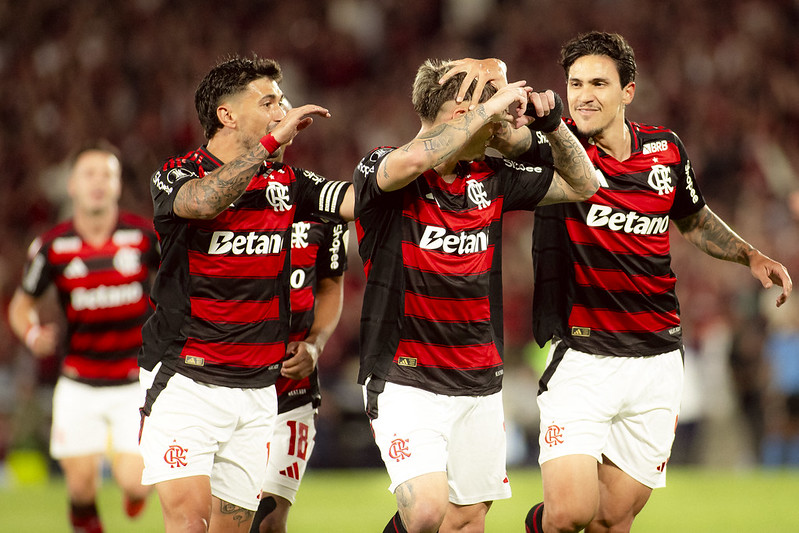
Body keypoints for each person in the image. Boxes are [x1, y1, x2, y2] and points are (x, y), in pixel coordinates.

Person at [447, 32, 793, 533]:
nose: (584, 95)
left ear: (628, 91)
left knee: (611, 521)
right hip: (583, 356)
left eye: (598, 83)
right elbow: (506, 138)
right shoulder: (555, 145)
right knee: (569, 514)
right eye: (575, 83)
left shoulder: (666, 150)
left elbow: (693, 218)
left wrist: (750, 254)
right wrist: (484, 94)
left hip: (657, 360)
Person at [353, 58, 598, 533]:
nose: (503, 121)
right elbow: (414, 160)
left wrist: (550, 126)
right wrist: (487, 111)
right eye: (494, 110)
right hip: (406, 376)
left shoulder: (492, 175)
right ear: (461, 113)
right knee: (426, 512)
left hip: (479, 376)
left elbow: (585, 184)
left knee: (466, 520)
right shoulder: (383, 165)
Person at [138, 54, 353, 533]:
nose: (284, 110)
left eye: (283, 100)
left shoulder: (289, 183)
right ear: (227, 114)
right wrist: (270, 144)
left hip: (257, 389)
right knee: (190, 524)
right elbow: (204, 201)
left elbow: (355, 199)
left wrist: (431, 148)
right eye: (269, 102)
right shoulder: (177, 173)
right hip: (186, 378)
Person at [8, 141, 159, 533]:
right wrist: (32, 333)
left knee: (136, 483)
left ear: (118, 185)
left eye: (107, 175)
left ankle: (135, 495)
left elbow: (178, 284)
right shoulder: (53, 246)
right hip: (79, 380)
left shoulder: (143, 237)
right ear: (72, 184)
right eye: (89, 174)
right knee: (80, 489)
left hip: (134, 380)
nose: (98, 182)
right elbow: (20, 306)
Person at [250, 101, 350, 533]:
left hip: (291, 386)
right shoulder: (213, 195)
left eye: (283, 109)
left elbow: (330, 286)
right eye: (267, 107)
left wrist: (315, 344)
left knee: (269, 521)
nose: (279, 116)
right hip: (226, 378)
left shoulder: (320, 205)